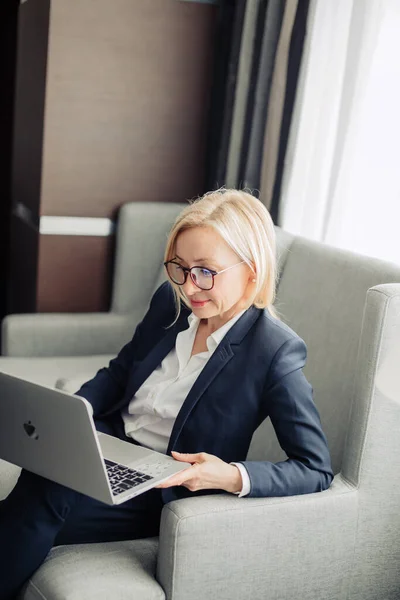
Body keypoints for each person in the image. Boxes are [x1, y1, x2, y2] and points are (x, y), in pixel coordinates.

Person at [0, 189, 333, 599]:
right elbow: (120, 372)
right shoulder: (171, 303)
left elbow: (314, 468)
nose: (190, 287)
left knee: (45, 491)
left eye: (206, 271)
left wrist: (228, 475)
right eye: (180, 267)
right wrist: (75, 412)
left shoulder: (274, 351)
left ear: (252, 269)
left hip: (158, 483)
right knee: (45, 475)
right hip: (107, 439)